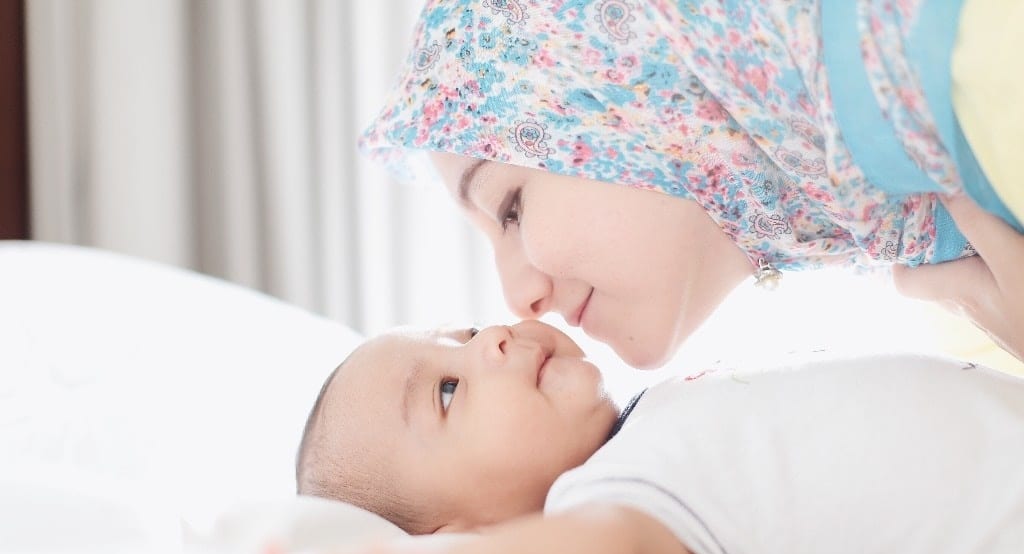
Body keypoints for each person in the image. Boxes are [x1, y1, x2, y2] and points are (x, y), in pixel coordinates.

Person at [360, 0, 1024, 370]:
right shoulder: (960, 299)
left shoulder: (986, 52)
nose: (518, 298)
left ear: (633, 78)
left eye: (509, 208)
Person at [287, 319, 1024, 554]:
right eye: (448, 390)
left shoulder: (650, 420)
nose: (492, 339)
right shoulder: (607, 494)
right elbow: (605, 551)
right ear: (468, 537)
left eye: (466, 332)